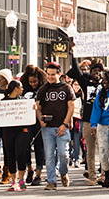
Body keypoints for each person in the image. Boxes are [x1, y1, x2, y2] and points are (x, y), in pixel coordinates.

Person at [66, 45, 109, 186]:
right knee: (90, 150)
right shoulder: (85, 83)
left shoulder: (106, 85)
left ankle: (105, 175)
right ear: (90, 71)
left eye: (100, 71)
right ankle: (92, 176)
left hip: (102, 121)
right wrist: (73, 54)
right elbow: (75, 71)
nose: (97, 73)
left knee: (104, 149)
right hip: (87, 120)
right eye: (94, 70)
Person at [37, 62, 75, 191]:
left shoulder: (66, 88)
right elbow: (38, 108)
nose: (50, 77)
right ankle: (51, 181)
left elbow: (71, 107)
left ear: (59, 74)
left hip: (62, 126)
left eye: (53, 74)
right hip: (47, 128)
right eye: (48, 74)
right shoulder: (43, 89)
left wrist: (65, 124)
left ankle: (63, 172)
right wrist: (40, 119)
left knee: (64, 155)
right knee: (49, 156)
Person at [0, 80, 34, 191]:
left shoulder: (23, 101)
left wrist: (32, 110)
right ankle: (13, 181)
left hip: (21, 131)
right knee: (10, 155)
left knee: (20, 153)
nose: (23, 89)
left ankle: (21, 180)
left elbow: (29, 114)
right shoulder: (3, 102)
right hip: (8, 131)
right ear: (15, 88)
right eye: (21, 87)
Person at [21, 65, 47, 185]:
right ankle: (29, 169)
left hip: (39, 122)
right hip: (26, 121)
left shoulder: (44, 89)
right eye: (30, 82)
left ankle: (38, 174)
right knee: (25, 146)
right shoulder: (24, 89)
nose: (33, 84)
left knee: (39, 147)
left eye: (35, 81)